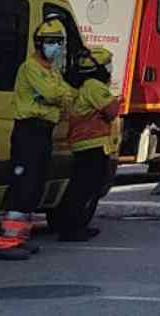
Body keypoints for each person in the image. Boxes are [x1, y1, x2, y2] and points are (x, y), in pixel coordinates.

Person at [0, 18, 74, 260]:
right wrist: (57, 97)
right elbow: (54, 94)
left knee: (35, 186)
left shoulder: (52, 71)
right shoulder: (30, 68)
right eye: (51, 42)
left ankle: (19, 238)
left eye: (59, 42)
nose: (56, 47)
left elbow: (65, 95)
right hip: (28, 131)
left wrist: (57, 97)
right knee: (23, 186)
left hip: (43, 131)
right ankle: (5, 243)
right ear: (39, 44)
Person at [52, 44, 119, 243]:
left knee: (81, 186)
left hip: (84, 144)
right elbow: (112, 110)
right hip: (92, 145)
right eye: (107, 65)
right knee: (85, 187)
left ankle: (75, 226)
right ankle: (73, 228)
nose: (109, 69)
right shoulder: (94, 86)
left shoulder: (82, 85)